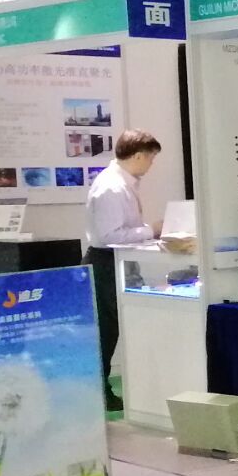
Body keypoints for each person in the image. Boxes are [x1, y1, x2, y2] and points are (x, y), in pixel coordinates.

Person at [84, 129, 162, 412]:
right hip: (106, 262)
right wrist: (151, 230)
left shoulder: (122, 184)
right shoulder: (111, 187)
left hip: (116, 261)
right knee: (104, 331)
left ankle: (100, 391)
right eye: (151, 158)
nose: (151, 165)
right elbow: (109, 236)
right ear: (138, 156)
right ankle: (97, 393)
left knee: (111, 329)